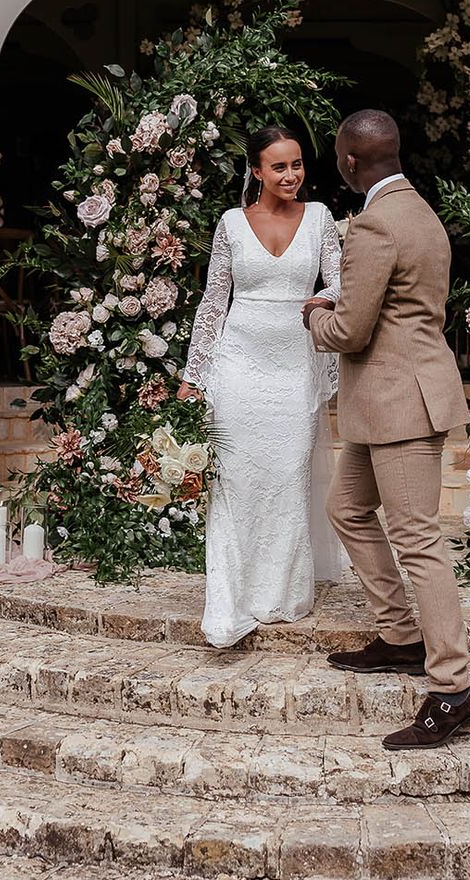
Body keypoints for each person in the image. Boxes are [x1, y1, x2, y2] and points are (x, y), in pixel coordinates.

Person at [302, 109, 470, 750]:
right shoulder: (422, 212)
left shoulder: (375, 224)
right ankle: (401, 634)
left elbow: (351, 331)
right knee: (346, 507)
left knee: (418, 541)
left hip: (399, 402)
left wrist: (314, 318)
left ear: (350, 161)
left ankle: (454, 688)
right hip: (392, 398)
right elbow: (397, 307)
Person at [179, 126, 346, 648]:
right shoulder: (231, 224)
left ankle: (284, 592)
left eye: (297, 164)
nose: (292, 175)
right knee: (236, 480)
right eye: (279, 167)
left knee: (288, 473)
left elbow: (344, 280)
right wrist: (194, 374)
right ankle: (231, 597)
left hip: (295, 363)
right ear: (256, 171)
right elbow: (213, 301)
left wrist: (322, 298)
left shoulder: (320, 219)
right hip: (238, 362)